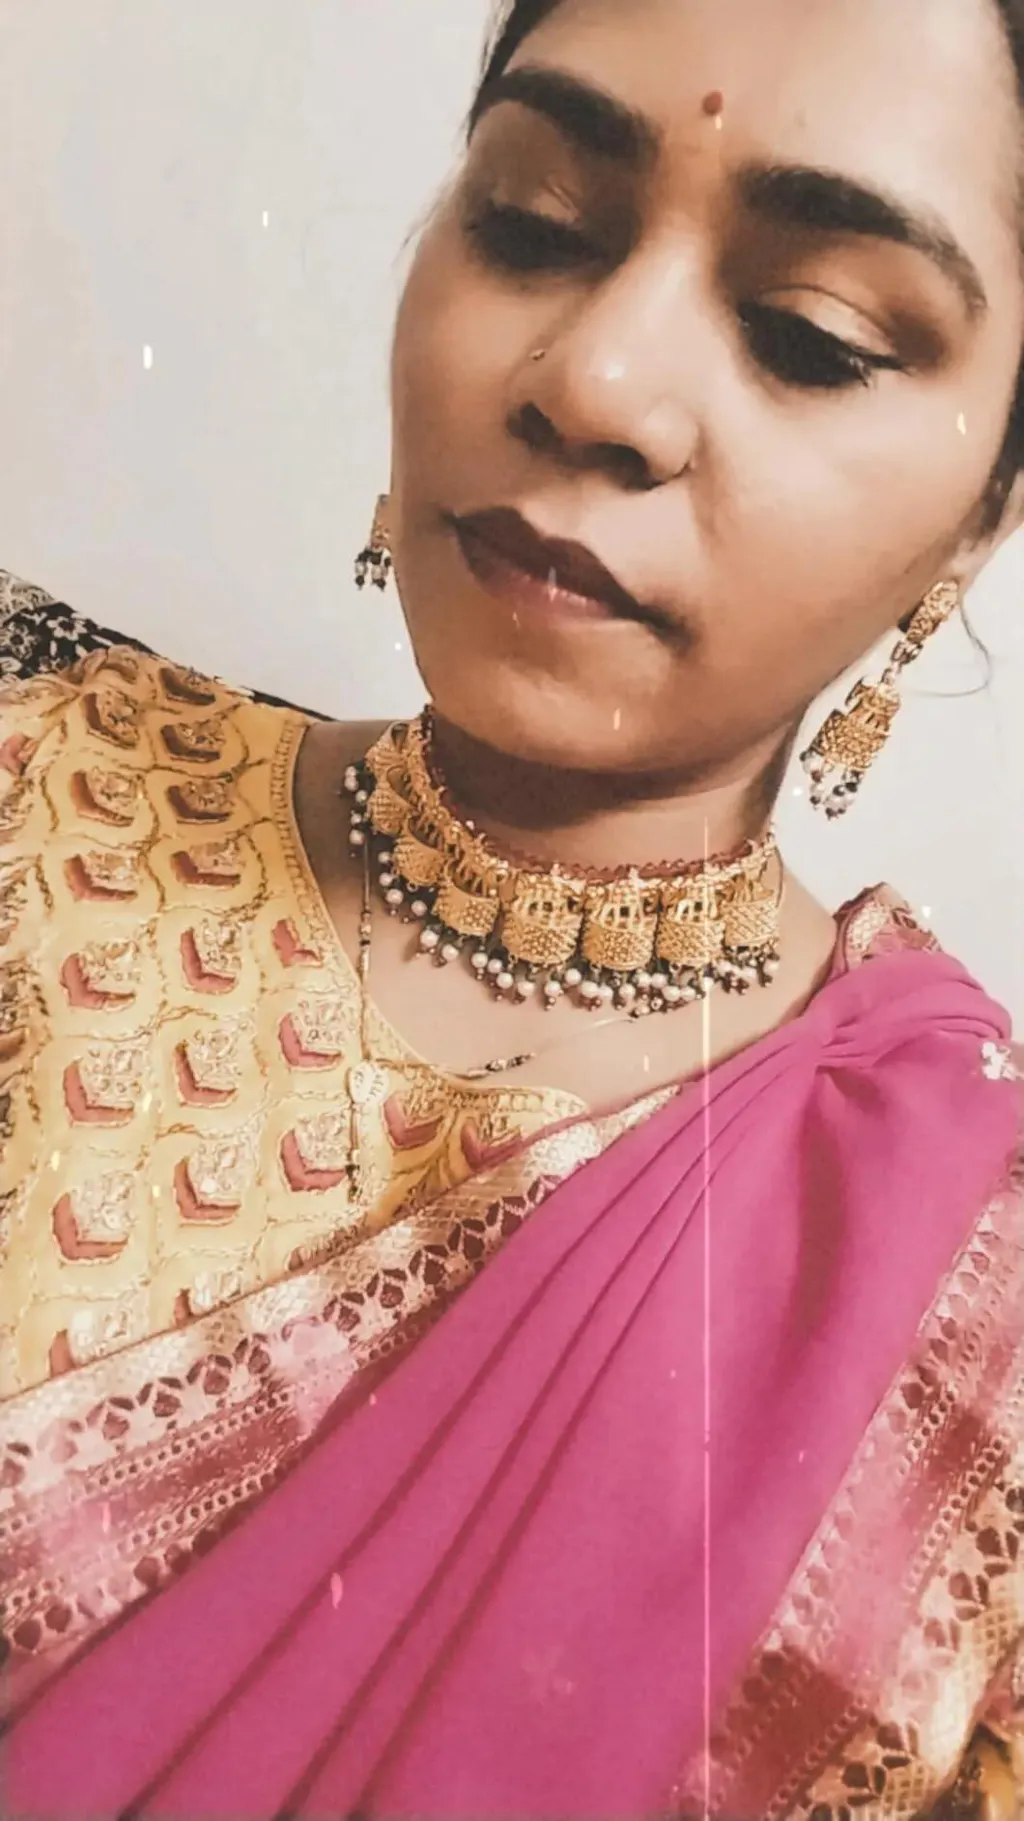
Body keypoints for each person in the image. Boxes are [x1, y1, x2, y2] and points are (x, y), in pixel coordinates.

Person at [1, 0, 1022, 1812]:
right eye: (533, 221)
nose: (596, 381)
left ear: (981, 518)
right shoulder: (32, 772)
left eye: (814, 333)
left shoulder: (978, 1313)